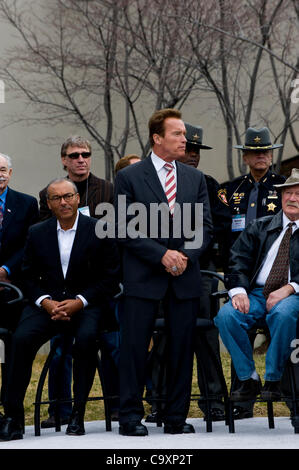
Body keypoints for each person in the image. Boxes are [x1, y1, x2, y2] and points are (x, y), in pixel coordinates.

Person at [114, 108, 212, 436]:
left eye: (184, 134)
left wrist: (183, 255)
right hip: (143, 275)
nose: (185, 139)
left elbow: (205, 226)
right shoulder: (130, 177)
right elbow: (124, 228)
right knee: (134, 347)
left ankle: (175, 418)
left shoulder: (195, 179)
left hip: (184, 277)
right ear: (158, 139)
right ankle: (129, 417)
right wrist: (162, 255)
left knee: (182, 348)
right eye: (178, 134)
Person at [0, 178, 120, 440]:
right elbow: (28, 276)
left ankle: (77, 415)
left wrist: (80, 301)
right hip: (48, 305)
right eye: (57, 198)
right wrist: (45, 301)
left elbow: (110, 278)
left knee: (87, 340)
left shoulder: (100, 229)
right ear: (49, 204)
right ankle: (13, 418)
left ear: (78, 198)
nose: (63, 202)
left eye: (68, 196)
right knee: (20, 339)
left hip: (86, 304)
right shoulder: (37, 232)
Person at [146, 123, 231, 424]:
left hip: (197, 269)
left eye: (197, 151)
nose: (192, 155)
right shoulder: (153, 180)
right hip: (159, 270)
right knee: (163, 336)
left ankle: (213, 400)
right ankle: (158, 400)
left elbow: (219, 223)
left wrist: (185, 251)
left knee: (205, 336)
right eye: (188, 149)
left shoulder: (205, 183)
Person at [38, 136, 117, 428]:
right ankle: (59, 408)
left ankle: (116, 406)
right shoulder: (49, 192)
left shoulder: (107, 189)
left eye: (85, 154)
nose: (80, 159)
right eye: (74, 155)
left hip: (98, 289)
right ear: (64, 160)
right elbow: (45, 240)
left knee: (108, 344)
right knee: (60, 348)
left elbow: (114, 235)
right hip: (60, 290)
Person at [214, 168, 299, 408]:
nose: (292, 198)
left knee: (283, 313)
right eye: (288, 193)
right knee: (227, 316)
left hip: (292, 294)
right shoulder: (259, 227)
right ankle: (248, 378)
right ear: (280, 197)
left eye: (298, 194)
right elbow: (237, 261)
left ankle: (273, 379)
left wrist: (290, 288)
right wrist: (239, 291)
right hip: (256, 293)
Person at [223, 126, 286, 419]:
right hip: (241, 271)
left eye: (266, 151)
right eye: (255, 151)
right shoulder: (231, 189)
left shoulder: (285, 187)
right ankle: (242, 398)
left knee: (282, 321)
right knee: (237, 327)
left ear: (271, 155)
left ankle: (280, 388)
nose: (261, 156)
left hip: (279, 273)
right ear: (245, 156)